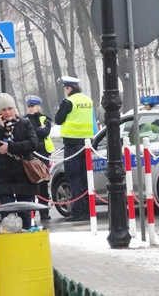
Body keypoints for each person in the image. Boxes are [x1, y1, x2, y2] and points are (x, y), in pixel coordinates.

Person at [0, 93, 38, 229]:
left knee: (24, 213)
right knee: (7, 215)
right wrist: (0, 128)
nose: (7, 112)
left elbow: (33, 144)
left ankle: (25, 242)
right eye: (3, 109)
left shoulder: (25, 123)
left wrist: (10, 147)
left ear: (14, 109)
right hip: (3, 176)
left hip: (24, 174)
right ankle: (10, 244)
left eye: (10, 108)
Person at [54, 76, 94, 222]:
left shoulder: (69, 101)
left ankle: (77, 211)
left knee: (73, 177)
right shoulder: (88, 100)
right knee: (86, 177)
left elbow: (58, 119)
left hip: (72, 144)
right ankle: (88, 209)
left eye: (65, 88)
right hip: (87, 143)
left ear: (69, 88)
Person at [24, 94, 53, 221]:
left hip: (43, 154)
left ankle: (44, 212)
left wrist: (35, 130)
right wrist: (37, 129)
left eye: (32, 106)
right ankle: (30, 213)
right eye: (28, 106)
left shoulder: (44, 118)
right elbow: (29, 132)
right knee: (30, 183)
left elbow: (45, 132)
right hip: (30, 154)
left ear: (38, 106)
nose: (30, 108)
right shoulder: (24, 120)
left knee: (43, 184)